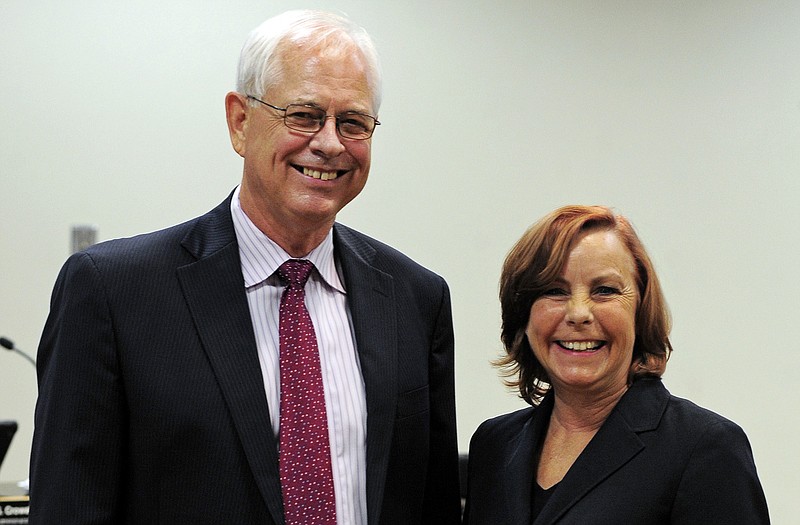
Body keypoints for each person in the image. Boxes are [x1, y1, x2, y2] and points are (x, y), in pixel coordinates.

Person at [29, 10, 461, 525]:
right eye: (303, 115)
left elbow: (433, 506)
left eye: (353, 123)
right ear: (240, 121)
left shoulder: (416, 299)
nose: (329, 143)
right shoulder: (113, 293)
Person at [462, 205, 769, 524]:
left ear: (640, 310)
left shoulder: (705, 448)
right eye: (554, 291)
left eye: (605, 290)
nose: (578, 312)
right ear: (522, 314)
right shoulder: (493, 445)